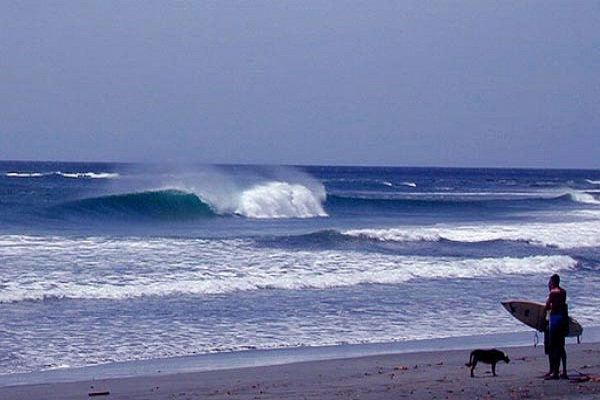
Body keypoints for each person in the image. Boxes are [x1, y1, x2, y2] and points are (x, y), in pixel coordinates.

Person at [545, 273, 568, 380]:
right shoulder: (563, 292)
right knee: (561, 346)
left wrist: (548, 298)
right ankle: (564, 371)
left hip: (554, 320)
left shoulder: (553, 292)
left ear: (552, 282)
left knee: (553, 346)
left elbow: (547, 306)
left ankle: (554, 373)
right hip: (562, 319)